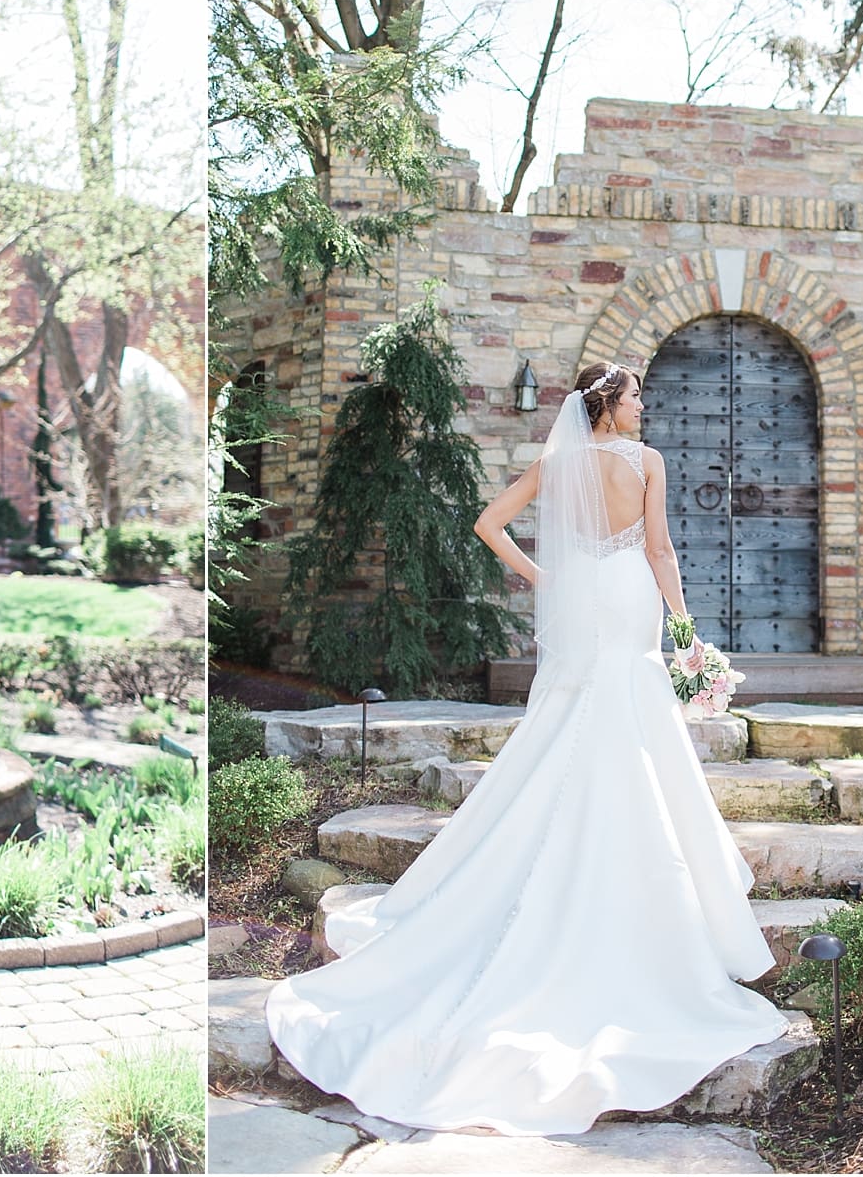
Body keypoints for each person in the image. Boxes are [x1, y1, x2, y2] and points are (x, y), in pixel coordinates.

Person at [264, 361, 790, 1136]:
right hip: (632, 602)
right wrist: (683, 629)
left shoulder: (558, 462)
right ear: (608, 406)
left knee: (575, 724)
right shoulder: (646, 463)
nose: (646, 407)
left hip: (586, 604)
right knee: (631, 720)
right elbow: (660, 550)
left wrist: (550, 579)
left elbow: (486, 524)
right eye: (637, 396)